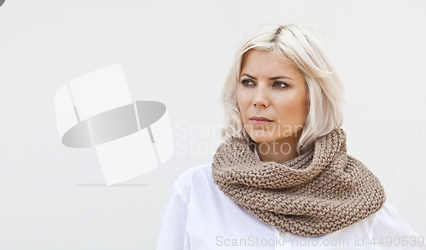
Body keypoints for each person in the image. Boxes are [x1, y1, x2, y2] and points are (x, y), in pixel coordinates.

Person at [156, 22, 425, 250]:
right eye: (248, 82)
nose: (258, 100)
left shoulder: (357, 200)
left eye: (279, 84)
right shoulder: (196, 191)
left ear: (313, 98)